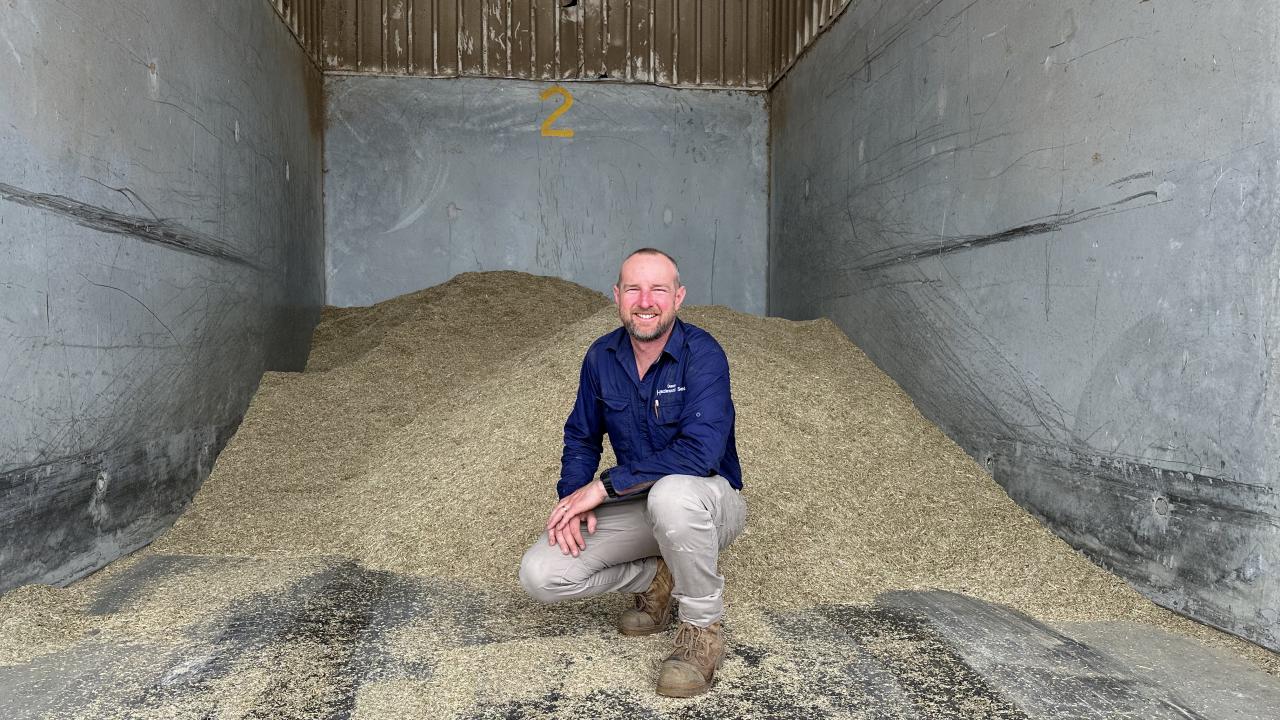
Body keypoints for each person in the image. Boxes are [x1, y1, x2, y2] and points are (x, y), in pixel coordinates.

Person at [518, 247, 747, 698]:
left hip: (708, 502)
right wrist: (572, 498)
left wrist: (603, 486)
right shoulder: (601, 356)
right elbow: (581, 437)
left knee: (672, 496)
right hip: (642, 505)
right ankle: (662, 574)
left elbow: (700, 454)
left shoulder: (702, 354)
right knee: (540, 574)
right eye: (634, 289)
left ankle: (701, 630)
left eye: (658, 289)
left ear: (678, 297)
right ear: (618, 296)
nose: (646, 300)